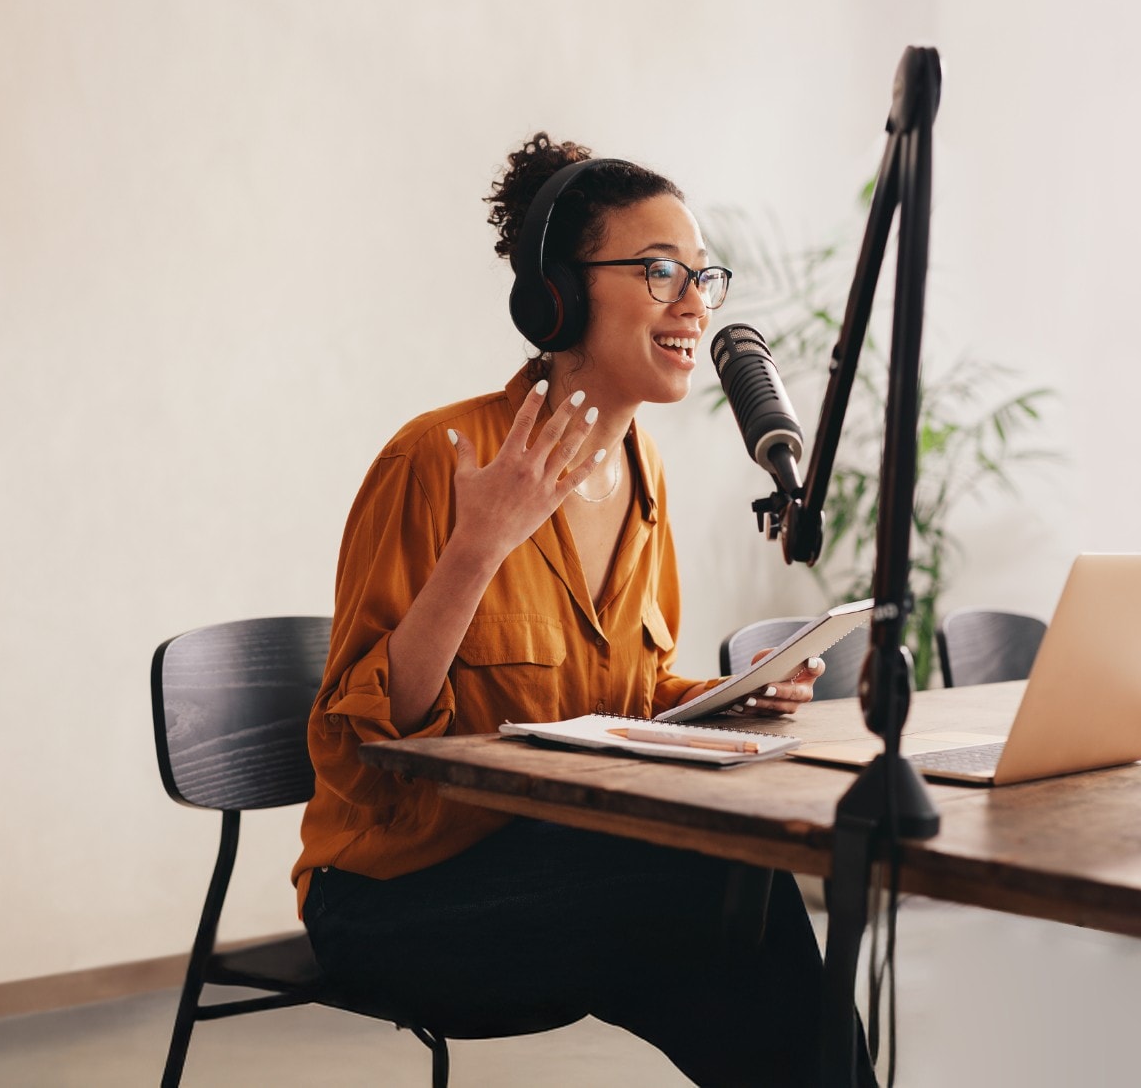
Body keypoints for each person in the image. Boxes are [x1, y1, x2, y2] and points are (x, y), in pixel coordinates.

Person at [292, 133, 865, 1087]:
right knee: (716, 884)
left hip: (559, 874)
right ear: (556, 294)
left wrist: (728, 698)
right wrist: (479, 547)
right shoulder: (440, 458)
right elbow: (363, 745)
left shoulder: (645, 475)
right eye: (658, 271)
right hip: (398, 894)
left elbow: (624, 698)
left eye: (701, 275)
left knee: (739, 904)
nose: (693, 303)